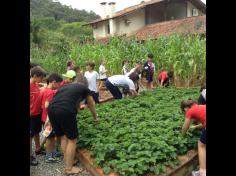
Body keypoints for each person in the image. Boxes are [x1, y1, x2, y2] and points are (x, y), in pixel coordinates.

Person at [48, 82, 98, 175]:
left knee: (63, 137)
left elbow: (73, 103)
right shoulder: (85, 89)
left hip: (51, 108)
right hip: (64, 110)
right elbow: (91, 104)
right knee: (72, 139)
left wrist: (76, 111)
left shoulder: (66, 87)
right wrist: (95, 118)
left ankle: (69, 160)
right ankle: (69, 168)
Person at [40, 73, 63, 163]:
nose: (58, 86)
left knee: (51, 136)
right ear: (53, 82)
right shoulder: (50, 92)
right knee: (50, 138)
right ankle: (48, 156)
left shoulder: (45, 90)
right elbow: (48, 106)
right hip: (48, 120)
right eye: (58, 84)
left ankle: (52, 152)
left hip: (45, 118)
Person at [180, 99, 206, 176]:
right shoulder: (201, 106)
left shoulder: (189, 111)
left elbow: (185, 127)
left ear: (185, 108)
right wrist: (195, 126)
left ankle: (203, 172)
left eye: (184, 110)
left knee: (201, 145)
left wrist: (182, 135)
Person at [30, 66, 47, 166]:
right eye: (41, 78)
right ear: (35, 76)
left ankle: (37, 149)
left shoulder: (35, 84)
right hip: (31, 115)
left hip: (37, 114)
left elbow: (38, 92)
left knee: (36, 132)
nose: (42, 80)